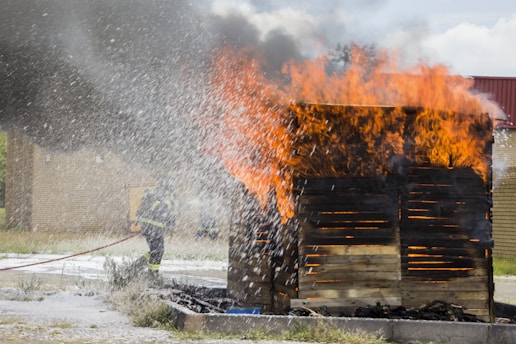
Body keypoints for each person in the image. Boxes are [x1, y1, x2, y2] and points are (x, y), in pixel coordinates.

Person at [135, 185, 176, 284]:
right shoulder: (166, 201)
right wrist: (170, 227)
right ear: (168, 191)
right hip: (155, 229)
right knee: (158, 251)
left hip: (149, 229)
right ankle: (152, 275)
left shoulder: (152, 196)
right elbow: (169, 217)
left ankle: (138, 266)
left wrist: (143, 224)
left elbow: (140, 211)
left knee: (155, 251)